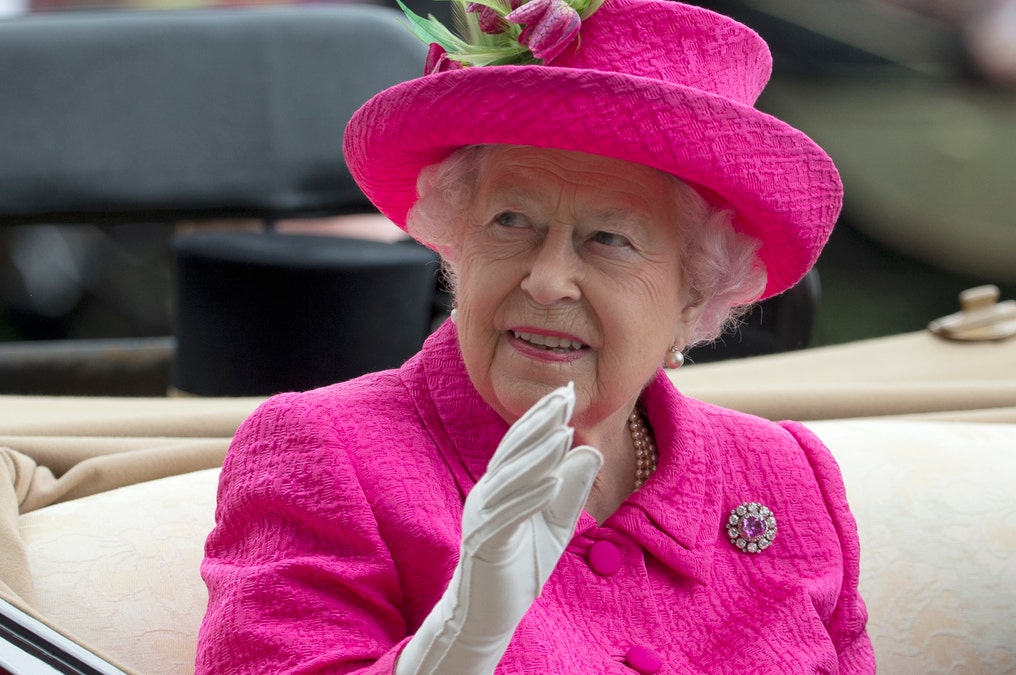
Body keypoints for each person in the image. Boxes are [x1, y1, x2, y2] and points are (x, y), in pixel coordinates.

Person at [196, 0, 874, 672]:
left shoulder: (787, 476)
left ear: (694, 289)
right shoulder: (326, 452)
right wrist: (448, 655)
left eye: (609, 239)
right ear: (457, 246)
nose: (548, 280)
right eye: (510, 221)